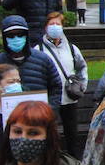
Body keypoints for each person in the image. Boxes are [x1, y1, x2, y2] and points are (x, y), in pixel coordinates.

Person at [34, 12, 88, 155]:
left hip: (69, 98)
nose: (55, 27)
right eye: (52, 24)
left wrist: (82, 85)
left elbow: (82, 67)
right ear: (45, 27)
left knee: (72, 134)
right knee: (51, 133)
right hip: (49, 100)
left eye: (58, 24)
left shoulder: (71, 48)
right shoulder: (38, 50)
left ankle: (74, 162)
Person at [0, 15, 62, 111]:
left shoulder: (43, 60)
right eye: (11, 35)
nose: (16, 38)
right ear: (4, 37)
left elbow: (56, 88)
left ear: (26, 36)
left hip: (40, 118)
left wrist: (49, 111)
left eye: (20, 34)